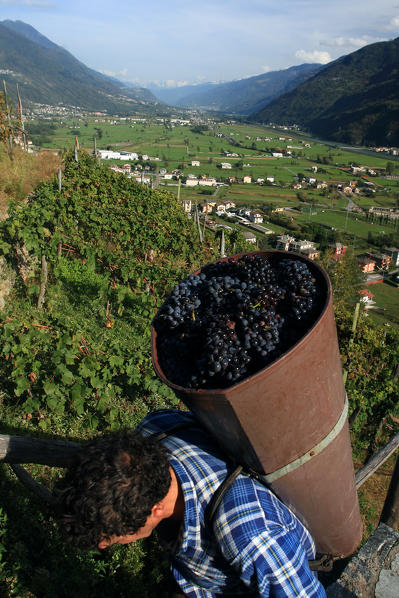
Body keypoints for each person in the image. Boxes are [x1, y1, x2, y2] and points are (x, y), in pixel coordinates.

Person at [56, 409, 327, 597]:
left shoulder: (250, 536)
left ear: (156, 509)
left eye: (116, 535)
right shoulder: (155, 429)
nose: (104, 544)